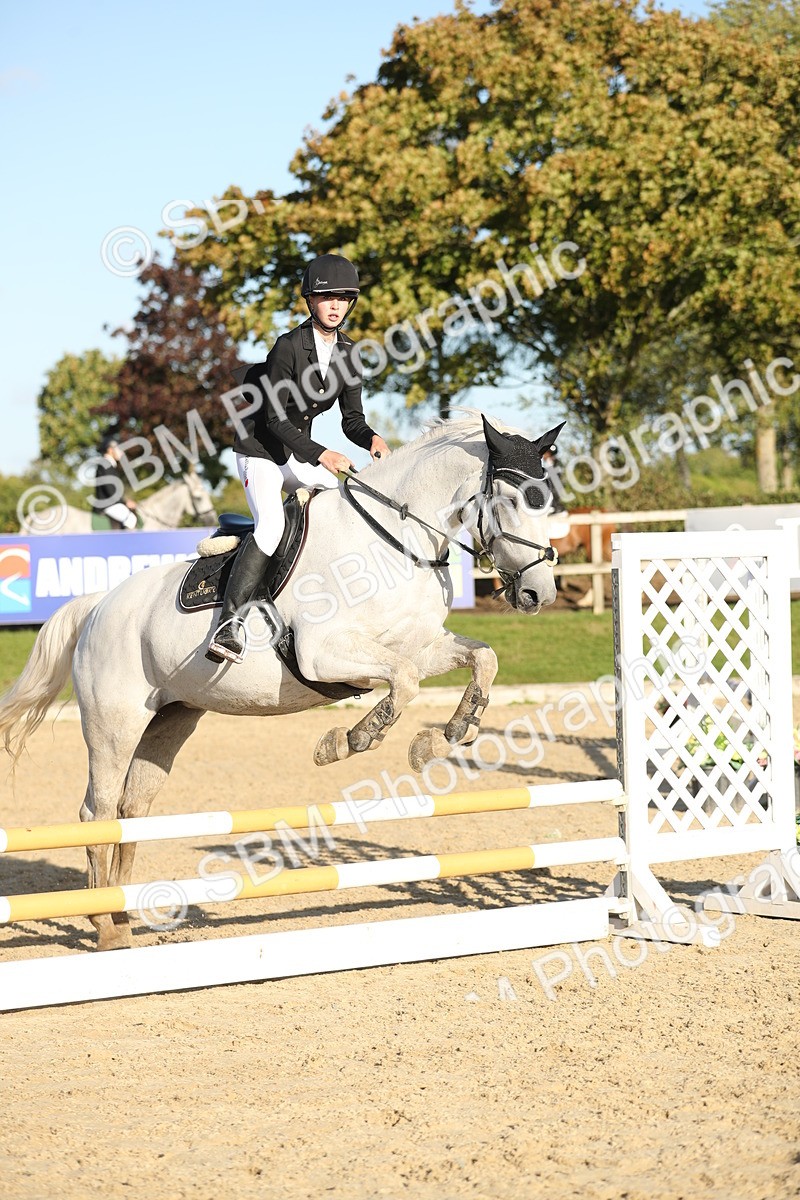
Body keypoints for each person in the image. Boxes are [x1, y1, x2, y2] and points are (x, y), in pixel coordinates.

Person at [207, 252, 390, 664]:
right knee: (271, 526)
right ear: (310, 300)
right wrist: (321, 453)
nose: (336, 305)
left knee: (343, 503)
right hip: (260, 451)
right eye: (328, 298)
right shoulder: (288, 347)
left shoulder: (350, 353)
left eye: (344, 298)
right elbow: (273, 420)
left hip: (296, 453)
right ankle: (229, 625)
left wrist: (373, 439)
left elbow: (352, 421)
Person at [93, 434, 139, 530]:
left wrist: (125, 501)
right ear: (110, 450)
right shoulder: (105, 465)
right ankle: (126, 545)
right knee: (131, 519)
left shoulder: (109, 465)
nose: (121, 453)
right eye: (119, 449)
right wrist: (125, 502)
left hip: (112, 504)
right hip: (107, 505)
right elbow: (110, 490)